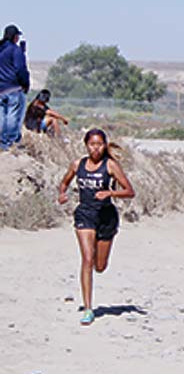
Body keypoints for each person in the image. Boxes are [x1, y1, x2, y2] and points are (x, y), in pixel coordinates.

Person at [57, 129, 135, 325]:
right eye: (92, 144)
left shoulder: (110, 165)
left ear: (104, 145)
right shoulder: (78, 164)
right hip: (85, 215)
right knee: (87, 259)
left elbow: (129, 191)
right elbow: (64, 182)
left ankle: (91, 295)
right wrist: (62, 194)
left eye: (99, 144)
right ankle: (88, 309)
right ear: (86, 145)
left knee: (100, 266)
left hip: (106, 217)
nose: (96, 148)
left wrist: (110, 194)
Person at [0, 25, 30, 150]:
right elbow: (20, 69)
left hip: (1, 89)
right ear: (14, 36)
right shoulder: (15, 50)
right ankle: (11, 142)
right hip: (13, 88)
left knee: (2, 116)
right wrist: (25, 84)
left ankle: (2, 141)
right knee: (13, 115)